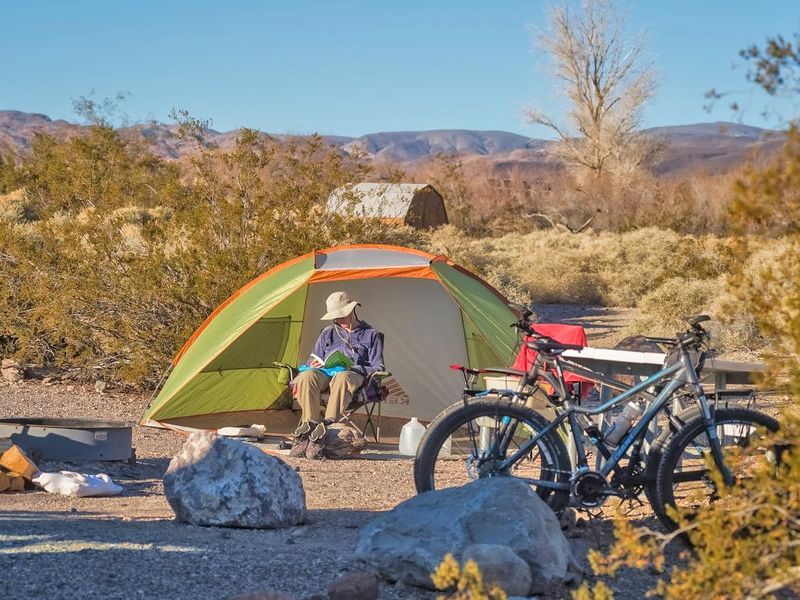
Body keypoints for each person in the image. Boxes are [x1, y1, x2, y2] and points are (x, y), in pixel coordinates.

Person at [291, 291, 384, 449]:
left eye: (341, 316)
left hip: (351, 376)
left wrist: (351, 367)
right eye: (335, 317)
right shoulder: (328, 332)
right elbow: (313, 359)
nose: (338, 320)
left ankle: (329, 427)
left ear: (352, 310)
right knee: (307, 376)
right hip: (326, 373)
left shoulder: (370, 335)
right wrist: (313, 364)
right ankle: (310, 427)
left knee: (342, 376)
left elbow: (378, 367)